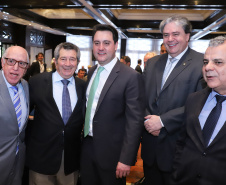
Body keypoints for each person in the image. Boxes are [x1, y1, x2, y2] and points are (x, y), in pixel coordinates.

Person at [141, 15, 204, 185]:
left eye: (175, 34)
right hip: (150, 148)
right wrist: (149, 121)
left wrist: (162, 121)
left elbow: (200, 104)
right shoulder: (153, 63)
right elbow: (142, 98)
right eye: (166, 35)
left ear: (187, 36)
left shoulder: (201, 63)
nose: (170, 39)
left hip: (177, 150)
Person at [80, 24, 145, 185]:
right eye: (97, 43)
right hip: (87, 148)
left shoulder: (130, 77)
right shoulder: (91, 71)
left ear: (116, 45)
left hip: (113, 155)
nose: (101, 48)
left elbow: (135, 121)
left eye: (106, 43)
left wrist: (126, 159)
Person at [26, 42, 85, 185]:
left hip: (70, 161)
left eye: (72, 59)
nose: (68, 63)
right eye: (63, 59)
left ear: (77, 62)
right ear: (56, 60)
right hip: (41, 158)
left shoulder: (83, 86)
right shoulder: (36, 82)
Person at [171, 36, 226, 185]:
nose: (208, 67)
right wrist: (176, 174)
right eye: (205, 62)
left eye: (218, 62)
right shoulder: (193, 99)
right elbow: (182, 143)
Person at [0, 46, 29, 185]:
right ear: (2, 62)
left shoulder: (25, 86)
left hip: (18, 164)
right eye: (11, 61)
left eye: (22, 63)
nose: (16, 67)